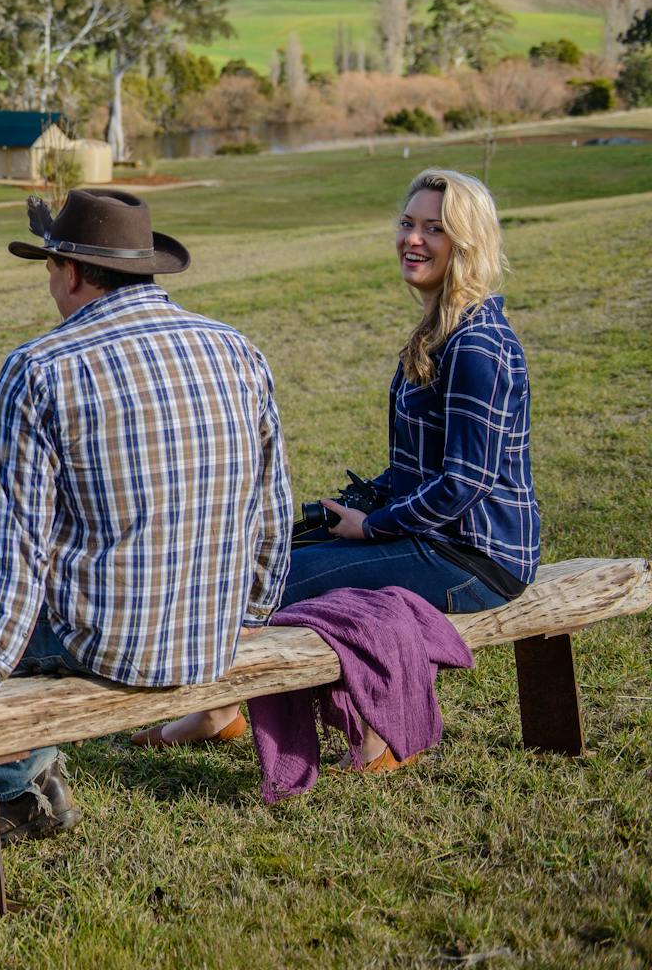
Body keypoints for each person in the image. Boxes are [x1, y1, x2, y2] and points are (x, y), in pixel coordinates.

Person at [0, 188, 292, 842]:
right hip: (214, 634)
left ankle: (20, 785)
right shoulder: (236, 348)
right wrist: (250, 616)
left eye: (49, 268)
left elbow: (17, 548)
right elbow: (272, 507)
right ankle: (21, 770)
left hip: (110, 645)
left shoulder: (38, 367)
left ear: (71, 272)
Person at [154, 167, 539, 765]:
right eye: (408, 223)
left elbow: (468, 481)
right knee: (268, 558)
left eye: (434, 229)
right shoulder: (442, 330)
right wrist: (358, 505)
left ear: (467, 243)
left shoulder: (476, 345)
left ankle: (271, 715)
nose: (413, 239)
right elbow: (418, 469)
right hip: (433, 535)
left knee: (269, 584)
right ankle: (221, 710)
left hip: (474, 557)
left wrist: (372, 528)